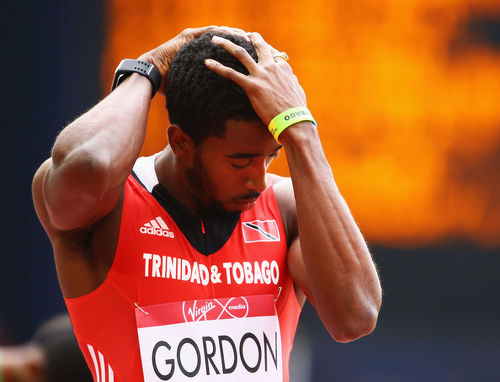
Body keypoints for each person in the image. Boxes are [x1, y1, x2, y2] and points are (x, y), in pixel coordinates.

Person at [32, 26, 382, 382]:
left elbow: (356, 316)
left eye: (270, 157)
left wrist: (300, 131)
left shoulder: (285, 208)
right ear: (181, 142)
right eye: (240, 161)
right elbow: (89, 165)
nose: (258, 180)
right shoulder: (109, 205)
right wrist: (145, 71)